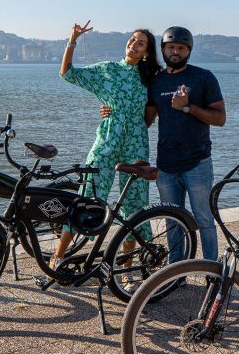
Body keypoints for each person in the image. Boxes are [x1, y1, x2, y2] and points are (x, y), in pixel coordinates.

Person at [51, 21, 161, 272]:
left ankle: (127, 269)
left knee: (135, 203)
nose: (134, 44)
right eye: (132, 39)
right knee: (89, 194)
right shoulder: (108, 71)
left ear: (147, 52)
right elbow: (67, 73)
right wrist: (73, 40)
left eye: (140, 43)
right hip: (107, 141)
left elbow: (149, 117)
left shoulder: (151, 78)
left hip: (136, 144)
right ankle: (58, 257)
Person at [146, 26, 225, 262]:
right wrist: (110, 110)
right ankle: (175, 272)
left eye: (181, 48)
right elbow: (147, 120)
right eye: (171, 47)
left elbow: (220, 118)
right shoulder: (156, 82)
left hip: (197, 162)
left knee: (203, 219)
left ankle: (211, 270)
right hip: (166, 164)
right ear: (162, 49)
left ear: (189, 50)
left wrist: (188, 107)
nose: (175, 51)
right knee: (172, 220)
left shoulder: (203, 77)